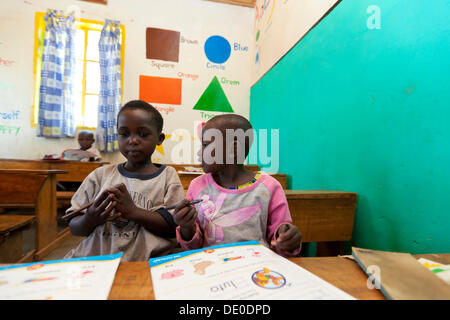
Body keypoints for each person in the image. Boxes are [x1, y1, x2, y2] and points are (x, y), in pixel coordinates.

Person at [64, 100, 184, 261]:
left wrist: (133, 212)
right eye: (124, 134)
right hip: (96, 261)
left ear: (159, 138)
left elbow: (174, 227)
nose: (132, 140)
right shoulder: (100, 176)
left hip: (145, 264)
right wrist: (89, 219)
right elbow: (75, 228)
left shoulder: (167, 176)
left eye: (143, 134)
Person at [173, 114, 302, 257]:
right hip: (212, 268)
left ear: (233, 149)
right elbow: (193, 248)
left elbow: (280, 235)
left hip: (256, 267)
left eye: (205, 145)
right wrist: (186, 227)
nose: (199, 152)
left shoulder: (270, 187)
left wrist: (287, 237)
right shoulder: (197, 186)